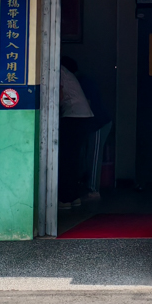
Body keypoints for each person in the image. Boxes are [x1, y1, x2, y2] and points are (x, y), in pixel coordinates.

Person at [58, 56, 93, 209]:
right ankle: (74, 197)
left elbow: (59, 96)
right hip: (81, 117)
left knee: (66, 159)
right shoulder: (66, 72)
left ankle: (65, 199)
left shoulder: (57, 70)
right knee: (72, 159)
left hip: (73, 116)